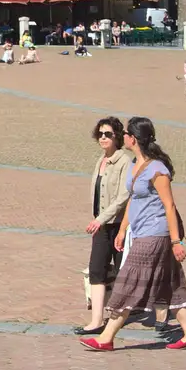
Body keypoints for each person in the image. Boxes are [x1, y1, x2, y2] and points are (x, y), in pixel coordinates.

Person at [78, 117, 186, 351]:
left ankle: (106, 338)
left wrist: (176, 241)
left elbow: (169, 206)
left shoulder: (157, 169)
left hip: (156, 234)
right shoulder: (136, 163)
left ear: (132, 138)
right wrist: (123, 228)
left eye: (125, 133)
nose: (121, 136)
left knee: (128, 281)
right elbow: (133, 200)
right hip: (141, 231)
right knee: (171, 284)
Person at [74, 117, 134, 336]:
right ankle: (96, 320)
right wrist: (98, 218)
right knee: (96, 271)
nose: (103, 138)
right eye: (100, 134)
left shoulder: (124, 161)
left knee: (122, 273)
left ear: (117, 136)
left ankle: (126, 314)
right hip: (101, 225)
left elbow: (122, 197)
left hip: (118, 226)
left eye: (108, 134)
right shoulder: (100, 160)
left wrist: (101, 218)